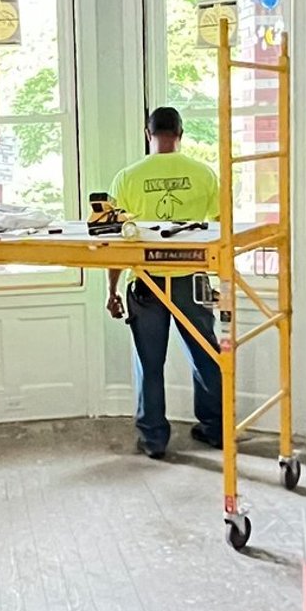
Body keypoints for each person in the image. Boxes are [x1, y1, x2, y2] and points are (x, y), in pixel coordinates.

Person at [106, 106, 225, 459]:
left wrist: (112, 291)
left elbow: (115, 240)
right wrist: (223, 280)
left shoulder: (127, 178)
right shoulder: (204, 175)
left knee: (149, 363)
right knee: (207, 356)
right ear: (181, 133)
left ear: (148, 134)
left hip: (146, 281)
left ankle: (153, 439)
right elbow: (222, 230)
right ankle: (216, 429)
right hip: (192, 278)